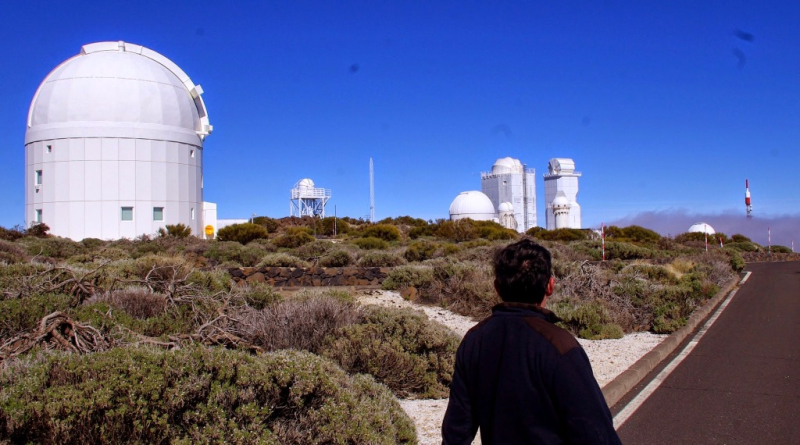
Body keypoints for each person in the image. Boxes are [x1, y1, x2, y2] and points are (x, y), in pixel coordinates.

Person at [441, 238, 621, 444]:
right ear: (550, 286)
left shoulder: (475, 340)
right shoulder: (560, 346)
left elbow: (457, 429)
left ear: (497, 287)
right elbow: (595, 430)